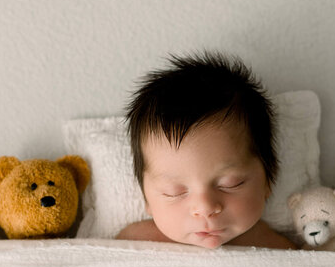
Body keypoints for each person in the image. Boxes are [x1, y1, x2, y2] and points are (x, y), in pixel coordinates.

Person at [116, 52, 296, 250]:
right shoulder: (135, 243)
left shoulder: (276, 249)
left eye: (231, 184)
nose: (205, 208)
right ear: (146, 197)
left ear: (267, 181)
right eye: (173, 192)